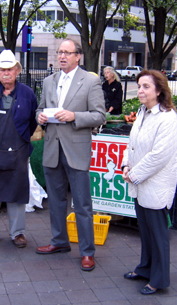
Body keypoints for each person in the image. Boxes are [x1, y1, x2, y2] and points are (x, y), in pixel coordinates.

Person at [35, 39, 106, 271]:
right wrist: (40, 117)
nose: (62, 56)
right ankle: (59, 242)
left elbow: (99, 116)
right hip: (52, 149)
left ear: (79, 57)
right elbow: (40, 108)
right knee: (55, 201)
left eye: (67, 53)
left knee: (82, 204)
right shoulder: (48, 81)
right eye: (60, 52)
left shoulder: (91, 81)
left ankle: (87, 252)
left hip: (76, 149)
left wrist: (74, 116)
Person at [121, 69, 177, 295]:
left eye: (146, 86)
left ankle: (158, 279)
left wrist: (133, 174)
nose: (140, 90)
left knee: (157, 235)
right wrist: (127, 166)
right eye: (139, 86)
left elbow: (159, 156)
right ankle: (145, 268)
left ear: (159, 90)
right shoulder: (143, 112)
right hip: (140, 183)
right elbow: (132, 143)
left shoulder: (167, 118)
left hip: (155, 185)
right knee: (145, 232)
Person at [0, 49, 38, 248]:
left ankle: (17, 233)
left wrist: (19, 139)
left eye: (10, 69)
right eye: (2, 69)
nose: (6, 73)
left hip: (17, 154)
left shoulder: (27, 94)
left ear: (17, 71)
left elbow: (32, 122)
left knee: (17, 194)